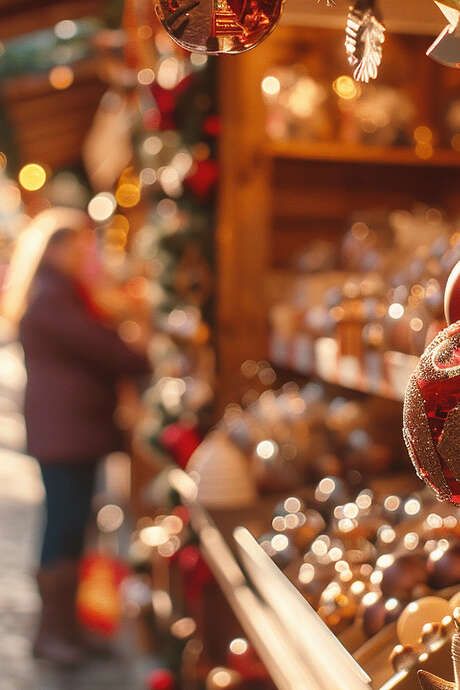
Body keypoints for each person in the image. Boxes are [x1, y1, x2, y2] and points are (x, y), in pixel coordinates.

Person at [15, 211, 150, 665]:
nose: (84, 255)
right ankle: (51, 632)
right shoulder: (53, 298)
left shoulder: (61, 294)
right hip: (65, 434)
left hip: (70, 432)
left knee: (72, 528)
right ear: (52, 249)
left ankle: (68, 627)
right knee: (63, 527)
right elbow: (106, 350)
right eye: (77, 246)